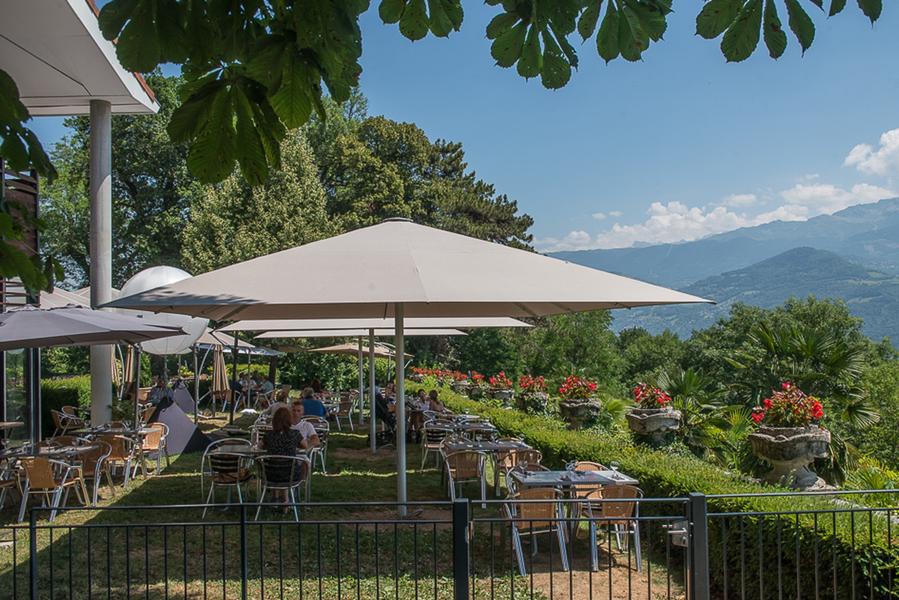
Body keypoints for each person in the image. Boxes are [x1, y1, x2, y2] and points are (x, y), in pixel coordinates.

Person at [259, 407, 304, 507]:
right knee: (300, 465)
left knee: (279, 467)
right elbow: (304, 445)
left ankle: (276, 498)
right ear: (289, 419)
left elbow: (259, 446)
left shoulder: (268, 435)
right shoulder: (295, 434)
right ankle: (286, 500)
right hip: (291, 476)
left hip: (270, 475)